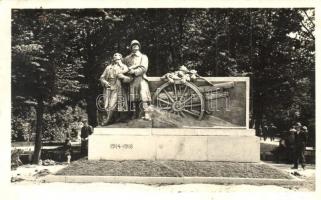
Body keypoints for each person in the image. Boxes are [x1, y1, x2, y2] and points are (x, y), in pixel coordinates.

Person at [100, 53, 132, 124]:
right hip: (108, 87)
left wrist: (123, 76)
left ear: (121, 59)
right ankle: (111, 119)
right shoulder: (108, 67)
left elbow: (129, 76)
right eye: (115, 59)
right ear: (113, 60)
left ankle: (107, 120)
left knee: (112, 105)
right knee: (106, 105)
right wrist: (105, 82)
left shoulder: (123, 67)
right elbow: (102, 77)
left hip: (118, 87)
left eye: (118, 59)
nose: (117, 60)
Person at [124, 40, 151, 120]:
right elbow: (124, 68)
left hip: (141, 78)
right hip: (132, 80)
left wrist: (134, 71)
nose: (135, 46)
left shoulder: (143, 57)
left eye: (137, 45)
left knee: (144, 97)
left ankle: (146, 113)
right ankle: (136, 114)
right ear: (131, 47)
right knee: (134, 98)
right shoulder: (127, 58)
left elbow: (144, 68)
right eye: (133, 45)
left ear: (139, 47)